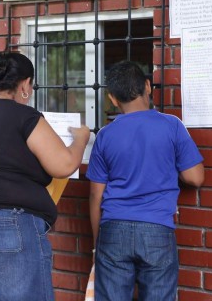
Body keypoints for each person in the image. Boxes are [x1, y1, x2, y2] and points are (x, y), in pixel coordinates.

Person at [0, 51, 90, 301]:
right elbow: (64, 165)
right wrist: (81, 139)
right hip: (7, 228)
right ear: (25, 84)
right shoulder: (25, 116)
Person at [87, 60, 205, 301]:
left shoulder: (105, 135)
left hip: (113, 229)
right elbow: (195, 177)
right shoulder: (171, 126)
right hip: (157, 229)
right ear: (148, 86)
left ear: (112, 99)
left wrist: (98, 243)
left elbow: (95, 196)